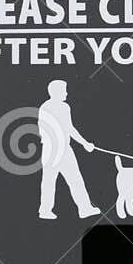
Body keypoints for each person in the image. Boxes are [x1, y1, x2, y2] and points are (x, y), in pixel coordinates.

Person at [37, 80, 99, 220]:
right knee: (51, 181)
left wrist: (84, 143)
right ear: (56, 92)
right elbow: (47, 130)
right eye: (64, 90)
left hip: (61, 149)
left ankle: (84, 208)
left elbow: (69, 128)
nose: (66, 93)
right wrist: (84, 143)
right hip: (54, 150)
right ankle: (46, 210)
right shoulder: (49, 107)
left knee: (72, 179)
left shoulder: (64, 107)